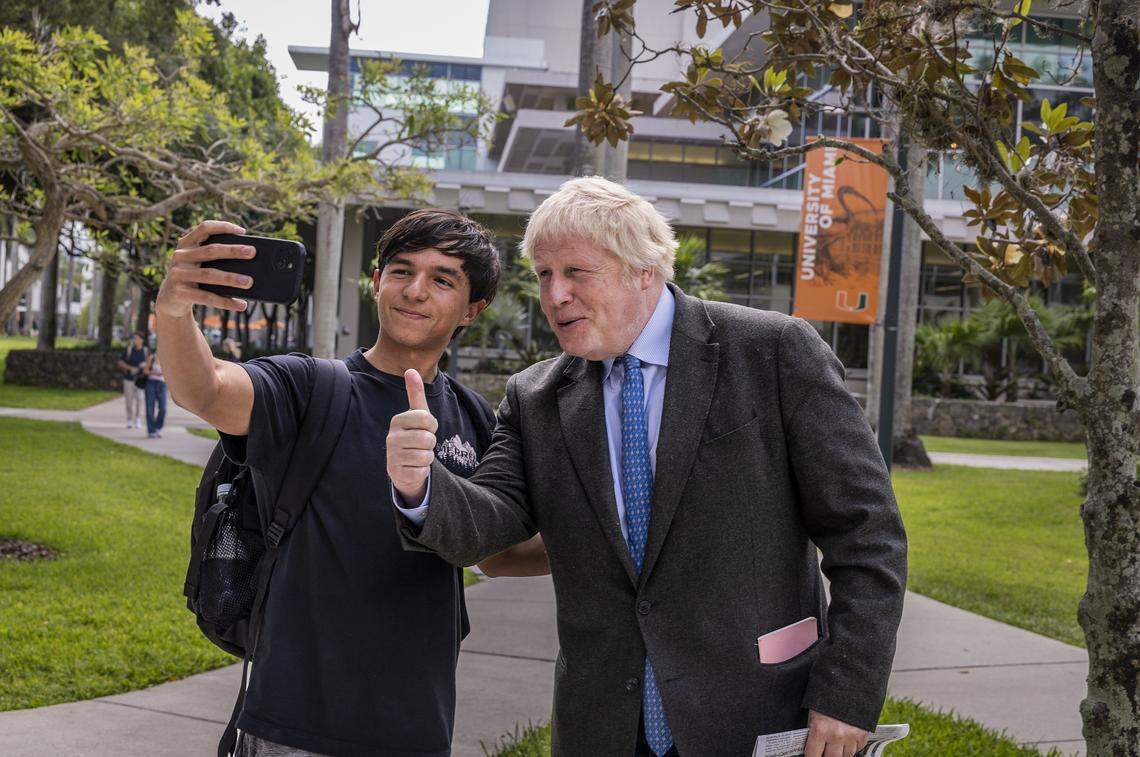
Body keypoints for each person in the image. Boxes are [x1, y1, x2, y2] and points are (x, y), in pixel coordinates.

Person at [387, 177, 908, 757]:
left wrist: (846, 695)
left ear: (644, 269)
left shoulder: (773, 351)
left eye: (575, 272)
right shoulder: (535, 396)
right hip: (603, 726)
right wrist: (420, 486)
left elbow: (867, 536)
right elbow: (492, 521)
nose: (554, 295)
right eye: (543, 274)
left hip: (762, 709)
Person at [156, 211, 539, 757]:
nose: (415, 291)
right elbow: (208, 389)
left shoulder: (476, 418)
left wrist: (616, 553)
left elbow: (497, 551)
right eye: (401, 271)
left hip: (417, 725)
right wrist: (173, 310)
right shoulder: (310, 387)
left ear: (471, 310)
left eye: (443, 279)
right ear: (378, 281)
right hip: (294, 723)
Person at [116, 331, 149, 429]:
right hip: (128, 379)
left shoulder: (146, 351)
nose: (135, 340)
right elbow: (120, 362)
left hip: (141, 380)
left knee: (140, 400)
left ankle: (138, 419)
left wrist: (145, 365)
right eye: (134, 338)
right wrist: (129, 368)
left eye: (137, 338)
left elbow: (150, 362)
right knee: (129, 401)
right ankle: (129, 419)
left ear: (142, 340)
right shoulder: (129, 350)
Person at [143, 351, 167, 438]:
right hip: (151, 384)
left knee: (163, 408)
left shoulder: (167, 357)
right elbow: (145, 371)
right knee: (150, 408)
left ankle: (157, 428)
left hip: (162, 385)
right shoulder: (152, 357)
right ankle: (151, 431)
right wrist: (155, 373)